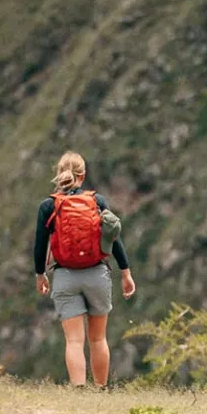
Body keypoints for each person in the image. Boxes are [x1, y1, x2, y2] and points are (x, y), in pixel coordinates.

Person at [32, 151, 138, 387]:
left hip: (64, 276)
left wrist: (40, 274)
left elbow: (40, 245)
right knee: (98, 338)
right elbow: (114, 237)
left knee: (73, 341)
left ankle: (79, 389)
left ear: (58, 174)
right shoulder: (97, 201)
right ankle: (100, 389)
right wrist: (126, 272)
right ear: (83, 175)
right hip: (97, 274)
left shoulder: (48, 206)